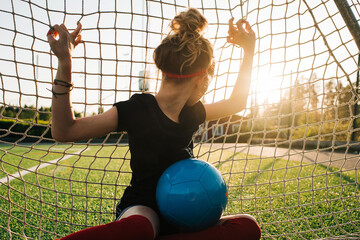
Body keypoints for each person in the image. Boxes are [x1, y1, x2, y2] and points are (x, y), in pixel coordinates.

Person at [48, 7, 260, 240]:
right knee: (141, 227)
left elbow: (237, 102)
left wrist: (248, 50)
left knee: (247, 227)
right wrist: (65, 62)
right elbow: (64, 131)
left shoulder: (193, 112)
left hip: (189, 209)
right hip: (143, 209)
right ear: (202, 77)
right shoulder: (137, 109)